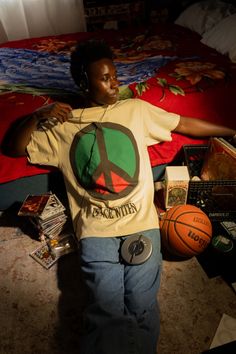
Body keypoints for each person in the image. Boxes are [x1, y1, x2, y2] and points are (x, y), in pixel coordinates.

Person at [6, 39, 236, 354]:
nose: (116, 83)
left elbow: (183, 123)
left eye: (115, 75)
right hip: (96, 232)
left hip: (141, 224)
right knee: (105, 312)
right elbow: (13, 147)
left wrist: (230, 130)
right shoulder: (63, 127)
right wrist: (38, 115)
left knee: (142, 306)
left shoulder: (134, 110)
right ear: (85, 83)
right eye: (105, 78)